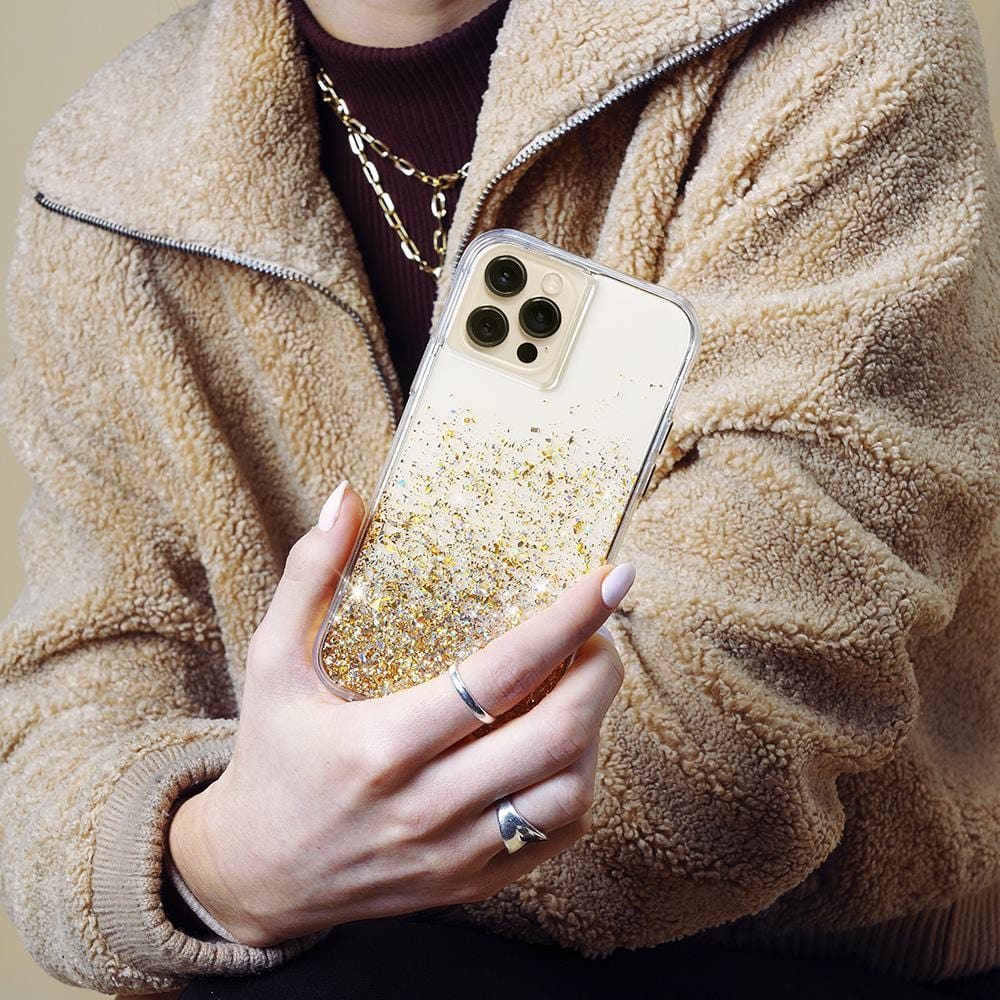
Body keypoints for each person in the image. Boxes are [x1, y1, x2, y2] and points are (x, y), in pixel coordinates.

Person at [1, 0, 999, 997]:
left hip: (809, 959)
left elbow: (747, 708)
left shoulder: (837, 35)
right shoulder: (106, 173)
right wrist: (227, 863)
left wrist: (303, 847)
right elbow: (71, 716)